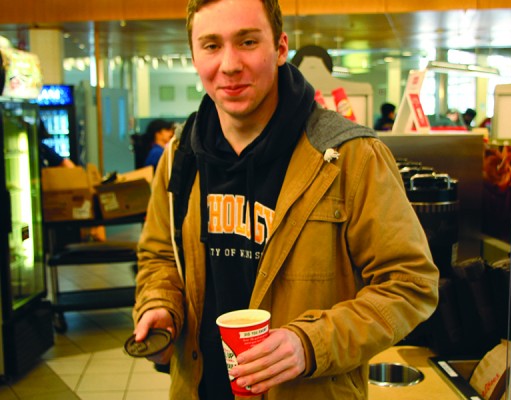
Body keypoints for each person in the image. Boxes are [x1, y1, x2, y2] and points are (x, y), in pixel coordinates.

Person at [132, 1, 439, 399]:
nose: (229, 64)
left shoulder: (350, 156)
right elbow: (160, 257)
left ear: (279, 48)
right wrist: (161, 304)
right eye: (211, 45)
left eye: (247, 41)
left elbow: (410, 283)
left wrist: (310, 343)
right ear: (193, 54)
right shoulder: (180, 155)